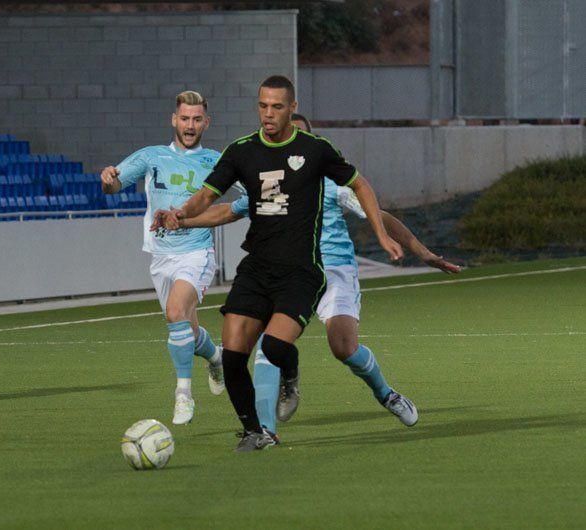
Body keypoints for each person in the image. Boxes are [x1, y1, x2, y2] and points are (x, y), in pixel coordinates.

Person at [152, 75, 404, 451]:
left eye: (277, 107)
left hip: (301, 271)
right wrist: (180, 213)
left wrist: (383, 236)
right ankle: (254, 430)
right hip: (256, 268)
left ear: (292, 108)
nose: (268, 114)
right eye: (262, 106)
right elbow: (208, 196)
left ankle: (286, 379)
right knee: (234, 355)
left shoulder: (315, 150)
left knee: (273, 346)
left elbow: (360, 185)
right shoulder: (242, 151)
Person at [174, 113, 461, 439]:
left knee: (343, 346)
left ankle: (386, 393)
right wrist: (181, 220)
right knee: (268, 346)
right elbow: (227, 210)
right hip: (287, 272)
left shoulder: (331, 185)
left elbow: (376, 213)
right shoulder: (269, 183)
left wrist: (422, 252)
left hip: (333, 268)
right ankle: (264, 430)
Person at [99, 91, 224, 425]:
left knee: (174, 312)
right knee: (187, 331)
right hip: (160, 256)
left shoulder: (216, 160)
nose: (190, 125)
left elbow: (246, 195)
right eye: (185, 118)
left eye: (197, 119)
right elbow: (114, 185)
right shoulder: (151, 156)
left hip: (197, 251)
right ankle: (216, 358)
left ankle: (183, 394)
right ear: (174, 119)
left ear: (206, 123)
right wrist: (108, 180)